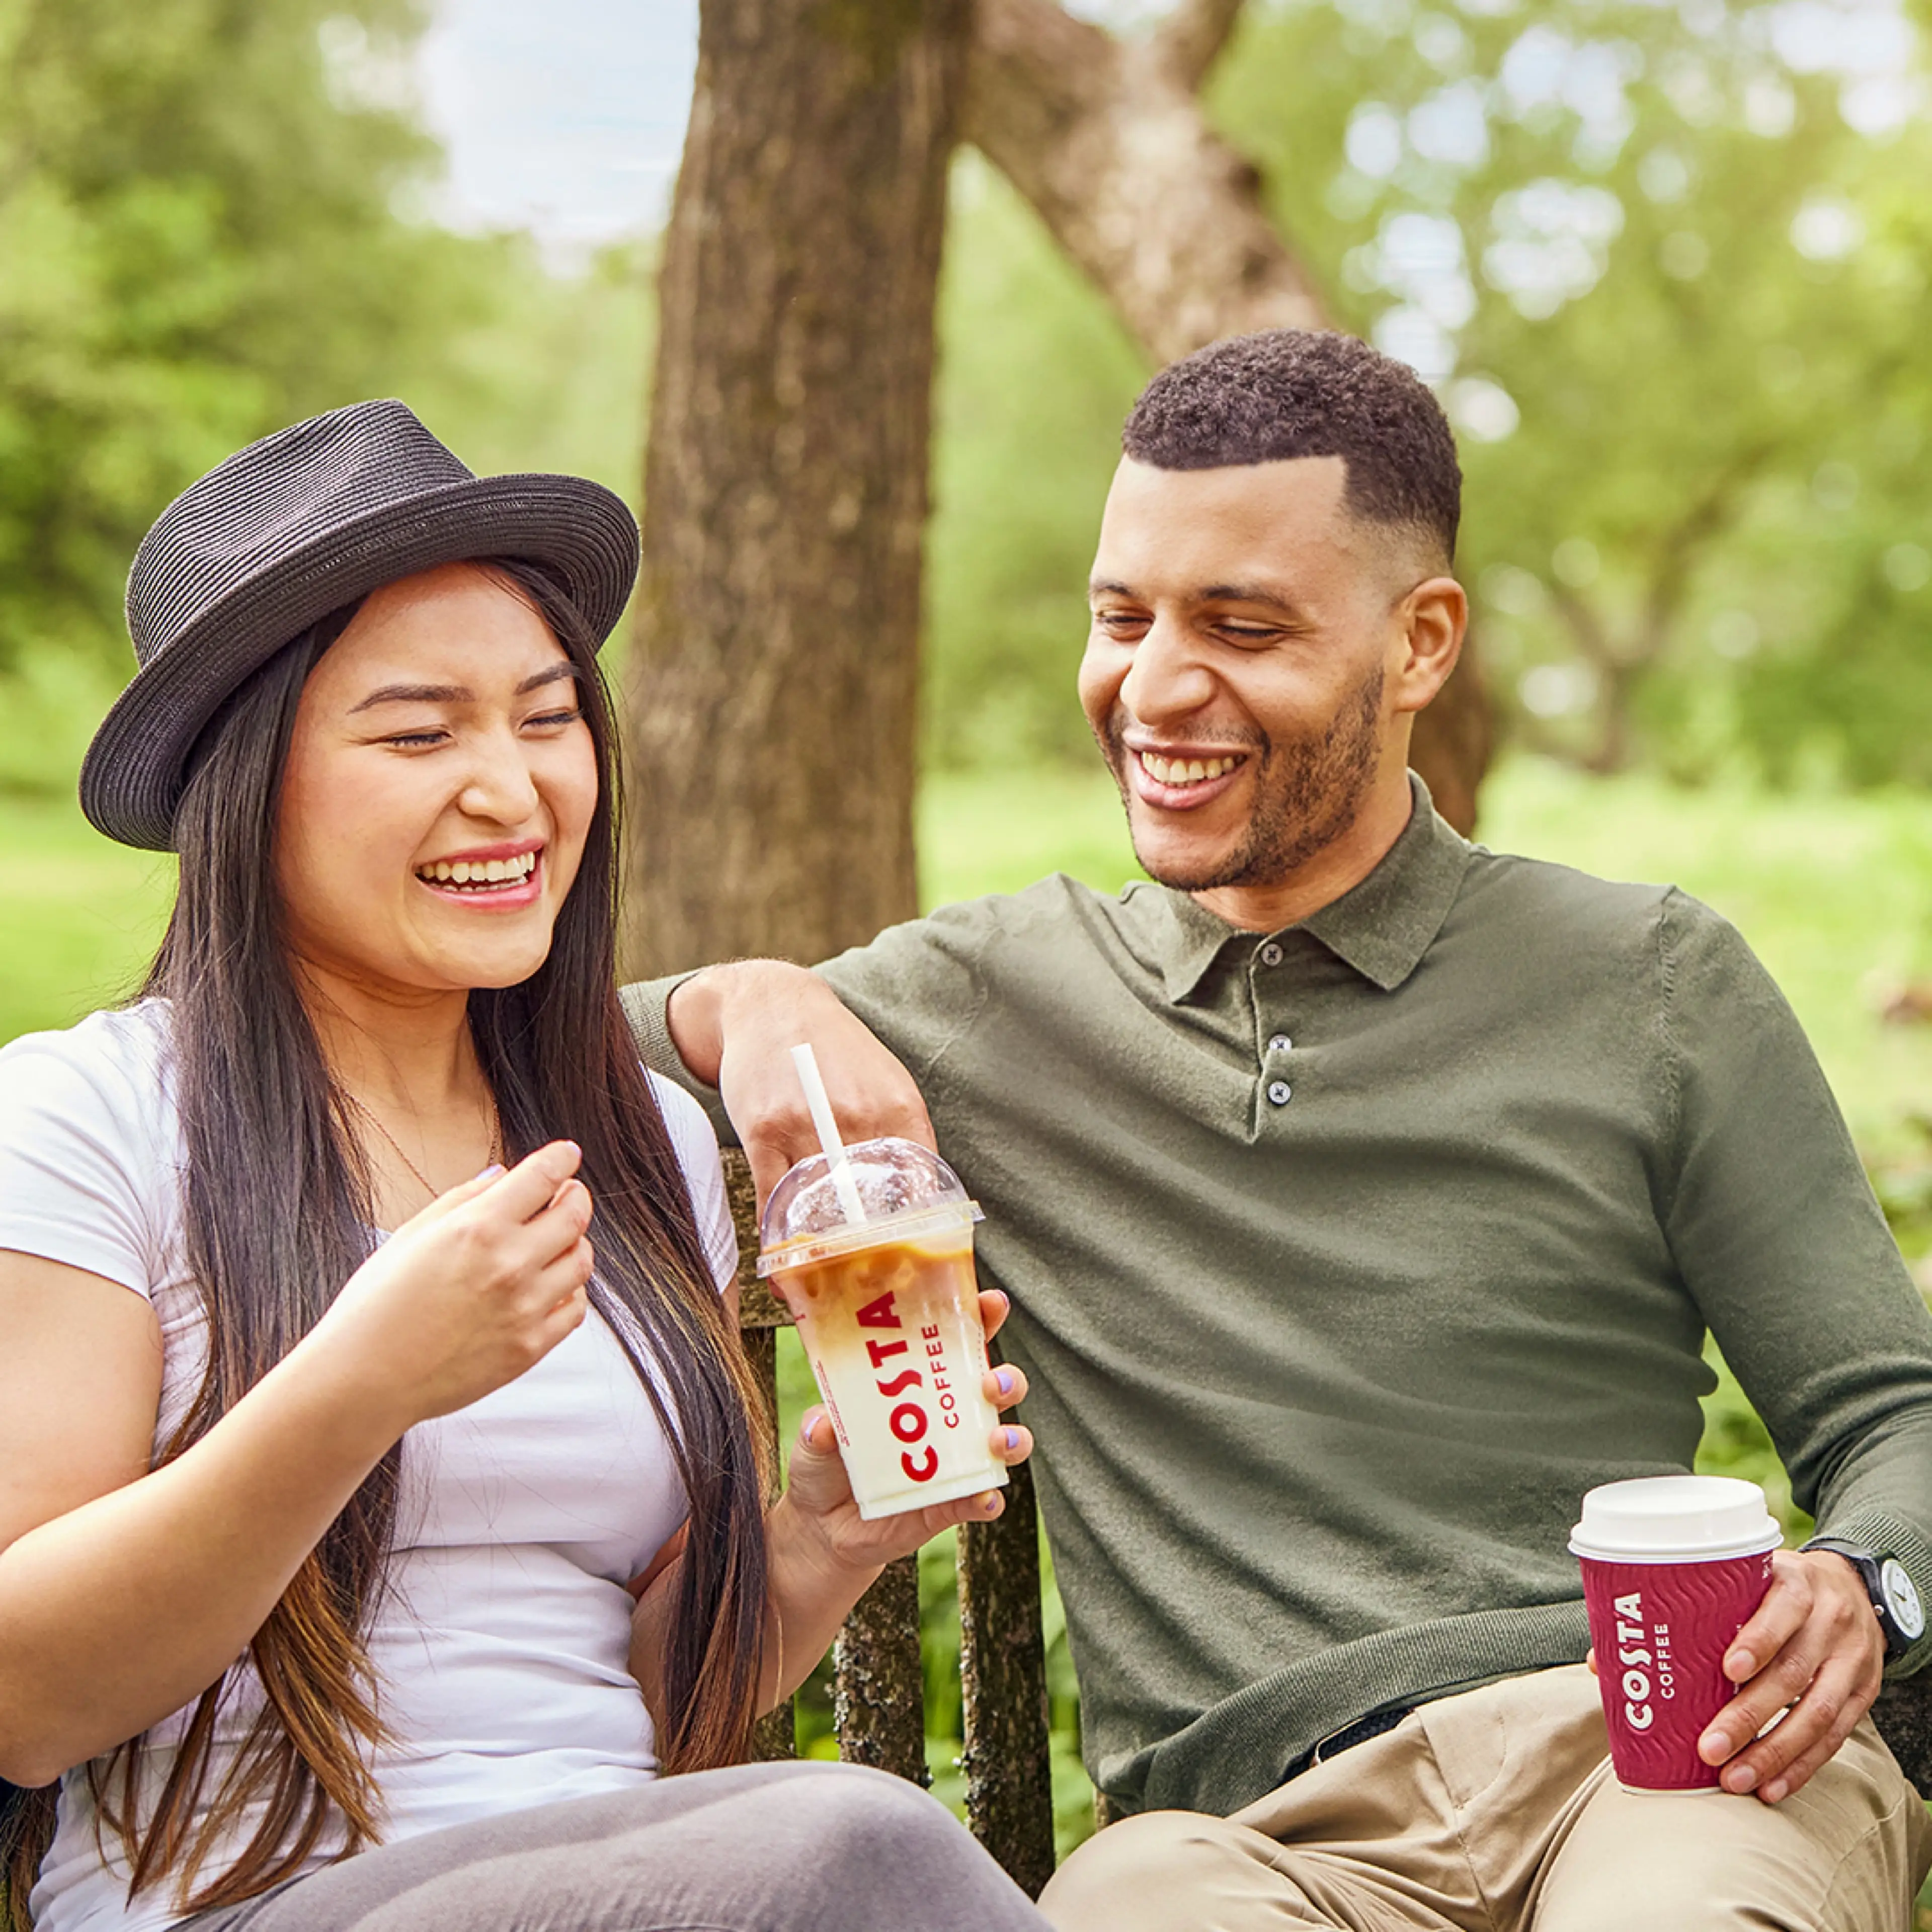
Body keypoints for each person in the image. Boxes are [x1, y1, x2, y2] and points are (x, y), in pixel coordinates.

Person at [624, 330, 1932, 1928]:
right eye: (1124, 618)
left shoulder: (1651, 983)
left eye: (1243, 626)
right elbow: (501, 1044)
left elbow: (1896, 1415)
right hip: (1246, 1841)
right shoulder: (993, 999)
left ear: (1422, 643)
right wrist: (748, 1000)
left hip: (1653, 1764)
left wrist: (1866, 1580)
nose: (1159, 687)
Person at [0, 401, 1048, 1932]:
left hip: (609, 1884)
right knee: (853, 1844)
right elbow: (27, 1700)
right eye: (419, 733)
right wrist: (362, 1381)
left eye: (547, 718)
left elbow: (630, 1712)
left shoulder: (641, 1147)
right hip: (258, 1906)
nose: (512, 789)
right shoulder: (88, 1117)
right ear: (248, 784)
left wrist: (820, 1540)